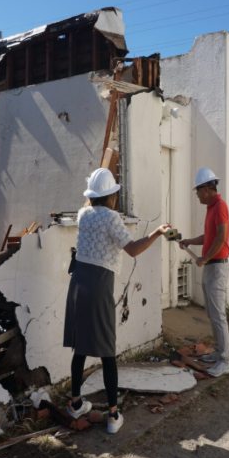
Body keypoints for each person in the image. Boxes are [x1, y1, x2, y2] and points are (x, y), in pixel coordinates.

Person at [63, 168, 170, 434]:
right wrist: (157, 232)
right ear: (110, 196)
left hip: (77, 283)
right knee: (107, 351)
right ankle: (113, 415)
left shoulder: (83, 214)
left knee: (81, 347)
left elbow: (90, 204)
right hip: (99, 286)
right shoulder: (111, 218)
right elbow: (133, 249)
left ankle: (76, 403)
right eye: (114, 195)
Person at [178, 167, 229, 377]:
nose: (197, 195)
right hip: (211, 266)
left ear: (208, 189)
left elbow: (220, 237)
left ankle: (225, 361)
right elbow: (208, 236)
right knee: (212, 312)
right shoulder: (211, 208)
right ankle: (219, 353)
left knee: (218, 315)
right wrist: (190, 241)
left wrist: (205, 257)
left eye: (198, 191)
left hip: (218, 266)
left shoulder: (220, 207)